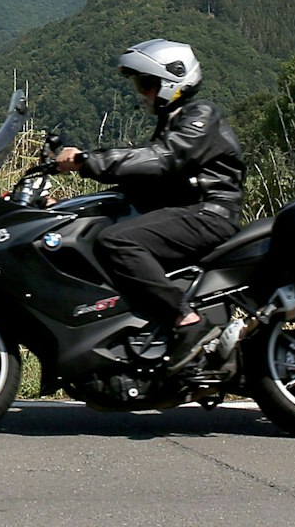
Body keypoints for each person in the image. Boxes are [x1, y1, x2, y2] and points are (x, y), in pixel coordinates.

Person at [53, 38, 247, 367]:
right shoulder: (171, 123)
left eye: (146, 84)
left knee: (117, 241)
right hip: (187, 212)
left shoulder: (201, 115)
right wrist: (65, 206)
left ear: (173, 80)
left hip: (210, 213)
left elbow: (163, 159)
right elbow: (139, 179)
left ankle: (186, 320)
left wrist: (87, 160)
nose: (141, 93)